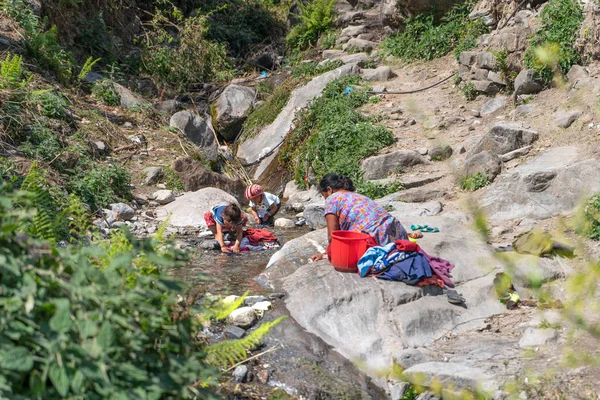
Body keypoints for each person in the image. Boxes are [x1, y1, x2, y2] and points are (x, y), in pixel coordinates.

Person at [311, 173, 413, 261]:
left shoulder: (332, 198)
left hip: (375, 241)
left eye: (324, 196)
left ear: (329, 190)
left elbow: (333, 237)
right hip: (399, 234)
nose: (325, 200)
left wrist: (327, 254)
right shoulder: (357, 195)